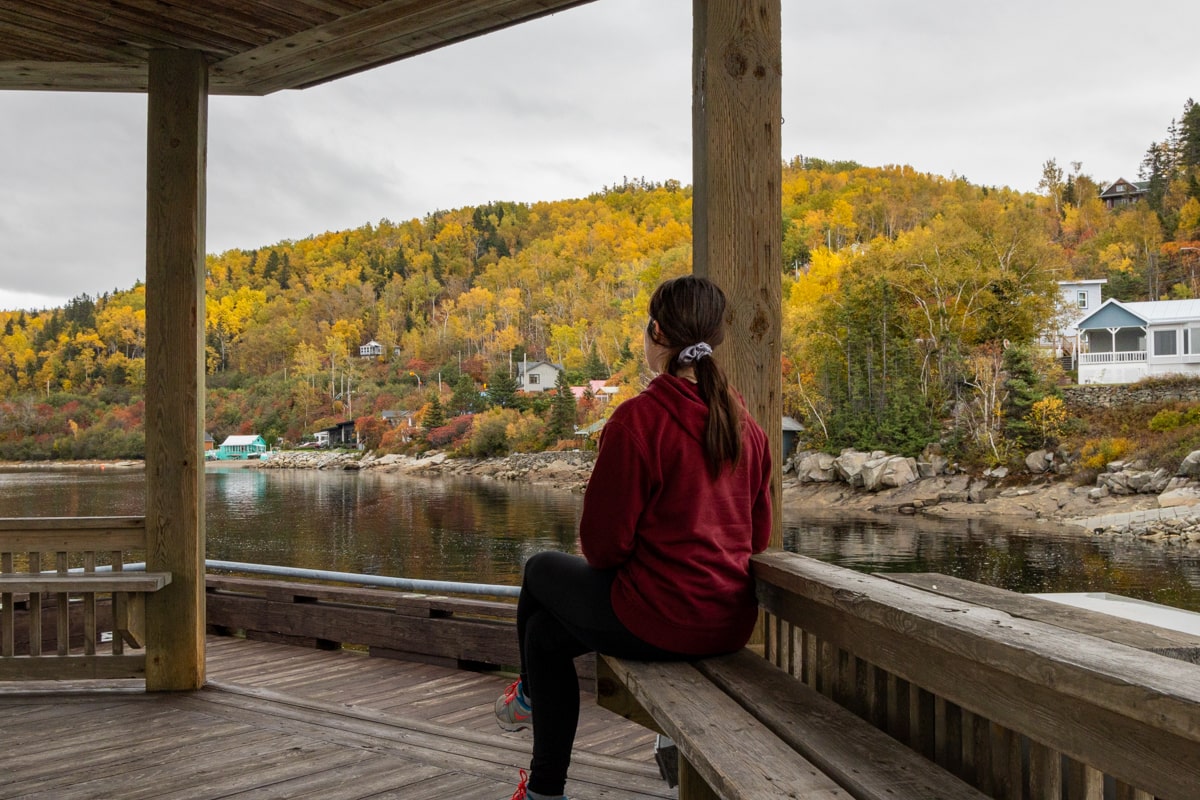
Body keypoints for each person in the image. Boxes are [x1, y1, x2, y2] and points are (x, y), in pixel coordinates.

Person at [495, 275, 773, 800]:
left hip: (661, 621)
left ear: (656, 333)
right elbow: (758, 536)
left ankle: (529, 704)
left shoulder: (638, 421)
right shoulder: (748, 428)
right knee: (543, 640)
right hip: (728, 624)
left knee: (538, 571)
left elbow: (603, 550)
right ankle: (539, 781)